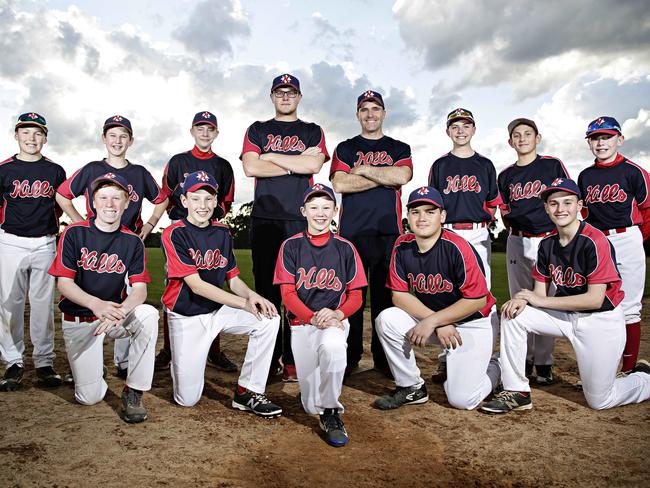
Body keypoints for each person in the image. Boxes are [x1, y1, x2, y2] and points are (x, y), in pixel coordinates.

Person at [480, 178, 650, 414]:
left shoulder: (595, 239)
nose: (561, 209)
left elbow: (595, 299)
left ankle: (644, 380)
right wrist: (523, 299)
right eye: (554, 203)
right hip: (564, 317)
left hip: (600, 321)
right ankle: (517, 391)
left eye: (567, 202)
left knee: (600, 400)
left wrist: (540, 301)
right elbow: (538, 294)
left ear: (579, 205)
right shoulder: (547, 245)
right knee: (513, 314)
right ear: (546, 208)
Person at [161, 171, 282, 417]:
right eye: (195, 198)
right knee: (187, 399)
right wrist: (243, 304)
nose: (202, 205)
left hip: (217, 311)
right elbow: (197, 286)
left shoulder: (222, 232)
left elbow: (233, 279)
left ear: (216, 202)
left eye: (208, 198)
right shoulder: (174, 234)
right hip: (187, 316)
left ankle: (247, 391)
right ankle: (183, 362)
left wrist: (252, 297)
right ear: (184, 201)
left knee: (270, 319)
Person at [56, 115, 167, 380]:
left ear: (131, 140)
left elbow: (162, 199)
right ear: (104, 138)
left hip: (128, 245)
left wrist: (149, 225)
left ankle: (124, 361)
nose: (117, 141)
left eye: (123, 136)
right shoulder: (92, 168)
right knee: (91, 293)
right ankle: (90, 359)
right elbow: (62, 195)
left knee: (128, 300)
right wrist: (81, 223)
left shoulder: (139, 172)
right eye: (112, 135)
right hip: (93, 242)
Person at [373, 186, 500, 411]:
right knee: (387, 319)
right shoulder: (402, 246)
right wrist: (436, 320)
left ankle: (497, 365)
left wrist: (433, 321)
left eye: (430, 212)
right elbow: (399, 296)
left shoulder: (457, 247)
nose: (422, 218)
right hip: (438, 321)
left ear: (442, 216)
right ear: (408, 217)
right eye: (415, 211)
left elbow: (477, 300)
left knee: (462, 400)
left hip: (473, 322)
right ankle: (411, 386)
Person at [48, 173, 159, 423]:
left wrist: (119, 312)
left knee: (149, 315)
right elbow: (63, 284)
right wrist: (95, 304)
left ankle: (134, 390)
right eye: (103, 197)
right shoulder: (74, 233)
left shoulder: (132, 241)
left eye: (117, 198)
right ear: (93, 203)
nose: (110, 204)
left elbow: (139, 290)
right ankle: (95, 371)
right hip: (80, 318)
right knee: (89, 397)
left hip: (114, 317)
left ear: (127, 202)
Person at [241, 73, 329, 382]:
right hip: (265, 219)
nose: (286, 97)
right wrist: (295, 162)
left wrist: (272, 158)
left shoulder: (312, 130)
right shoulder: (258, 129)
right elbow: (251, 166)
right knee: (267, 291)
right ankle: (269, 359)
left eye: (291, 92)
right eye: (281, 92)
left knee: (300, 291)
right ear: (272, 96)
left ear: (299, 97)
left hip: (298, 219)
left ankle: (294, 360)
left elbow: (314, 166)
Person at [273, 183, 367, 446]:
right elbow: (288, 295)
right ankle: (320, 405)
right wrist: (312, 317)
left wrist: (337, 313)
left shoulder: (346, 248)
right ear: (304, 211)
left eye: (326, 207)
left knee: (334, 345)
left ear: (335, 211)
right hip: (302, 324)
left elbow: (356, 296)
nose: (320, 213)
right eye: (314, 207)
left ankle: (332, 412)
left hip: (334, 322)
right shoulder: (290, 246)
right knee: (309, 405)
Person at [330, 90, 412, 377]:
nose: (370, 114)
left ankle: (384, 359)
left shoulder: (399, 147)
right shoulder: (345, 147)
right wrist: (382, 177)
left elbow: (401, 177)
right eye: (364, 109)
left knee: (385, 300)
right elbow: (340, 184)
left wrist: (363, 169)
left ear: (384, 113)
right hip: (351, 234)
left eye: (375, 109)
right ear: (357, 115)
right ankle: (350, 357)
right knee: (351, 298)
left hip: (388, 234)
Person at [153, 111, 237, 374]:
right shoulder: (178, 161)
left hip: (209, 232)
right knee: (175, 289)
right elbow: (165, 195)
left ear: (216, 133)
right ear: (192, 131)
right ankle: (168, 350)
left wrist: (212, 226)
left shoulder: (223, 166)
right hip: (180, 234)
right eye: (200, 128)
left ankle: (213, 351)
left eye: (210, 129)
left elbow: (226, 203)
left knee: (212, 284)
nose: (204, 133)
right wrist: (152, 223)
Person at [427, 108, 501, 384]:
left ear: (473, 129)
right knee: (447, 294)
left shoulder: (485, 164)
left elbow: (493, 203)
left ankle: (485, 357)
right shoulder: (440, 165)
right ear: (448, 131)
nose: (460, 131)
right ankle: (447, 359)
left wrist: (480, 225)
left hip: (477, 234)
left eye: (465, 126)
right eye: (455, 126)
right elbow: (432, 204)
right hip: (446, 233)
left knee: (482, 296)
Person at [498, 118, 570, 385]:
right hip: (517, 239)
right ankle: (525, 359)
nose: (522, 138)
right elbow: (505, 213)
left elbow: (567, 200)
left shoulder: (551, 165)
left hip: (549, 240)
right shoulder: (505, 175)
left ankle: (544, 362)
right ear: (510, 142)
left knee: (546, 300)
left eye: (527, 134)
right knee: (520, 298)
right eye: (517, 135)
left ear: (537, 138)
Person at [578, 116, 650, 374]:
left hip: (627, 237)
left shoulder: (635, 172)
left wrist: (634, 241)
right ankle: (601, 368)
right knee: (597, 302)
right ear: (589, 144)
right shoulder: (585, 176)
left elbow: (648, 211)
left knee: (630, 306)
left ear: (619, 139)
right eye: (595, 138)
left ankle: (628, 368)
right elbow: (584, 213)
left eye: (606, 137)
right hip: (599, 242)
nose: (601, 142)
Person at [0, 112, 66, 391]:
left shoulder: (55, 171)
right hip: (10, 241)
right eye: (25, 132)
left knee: (42, 306)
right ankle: (13, 361)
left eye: (37, 133)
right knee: (9, 304)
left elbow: (59, 206)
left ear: (45, 138)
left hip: (44, 242)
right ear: (16, 135)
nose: (31, 138)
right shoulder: (3, 169)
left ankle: (43, 361)